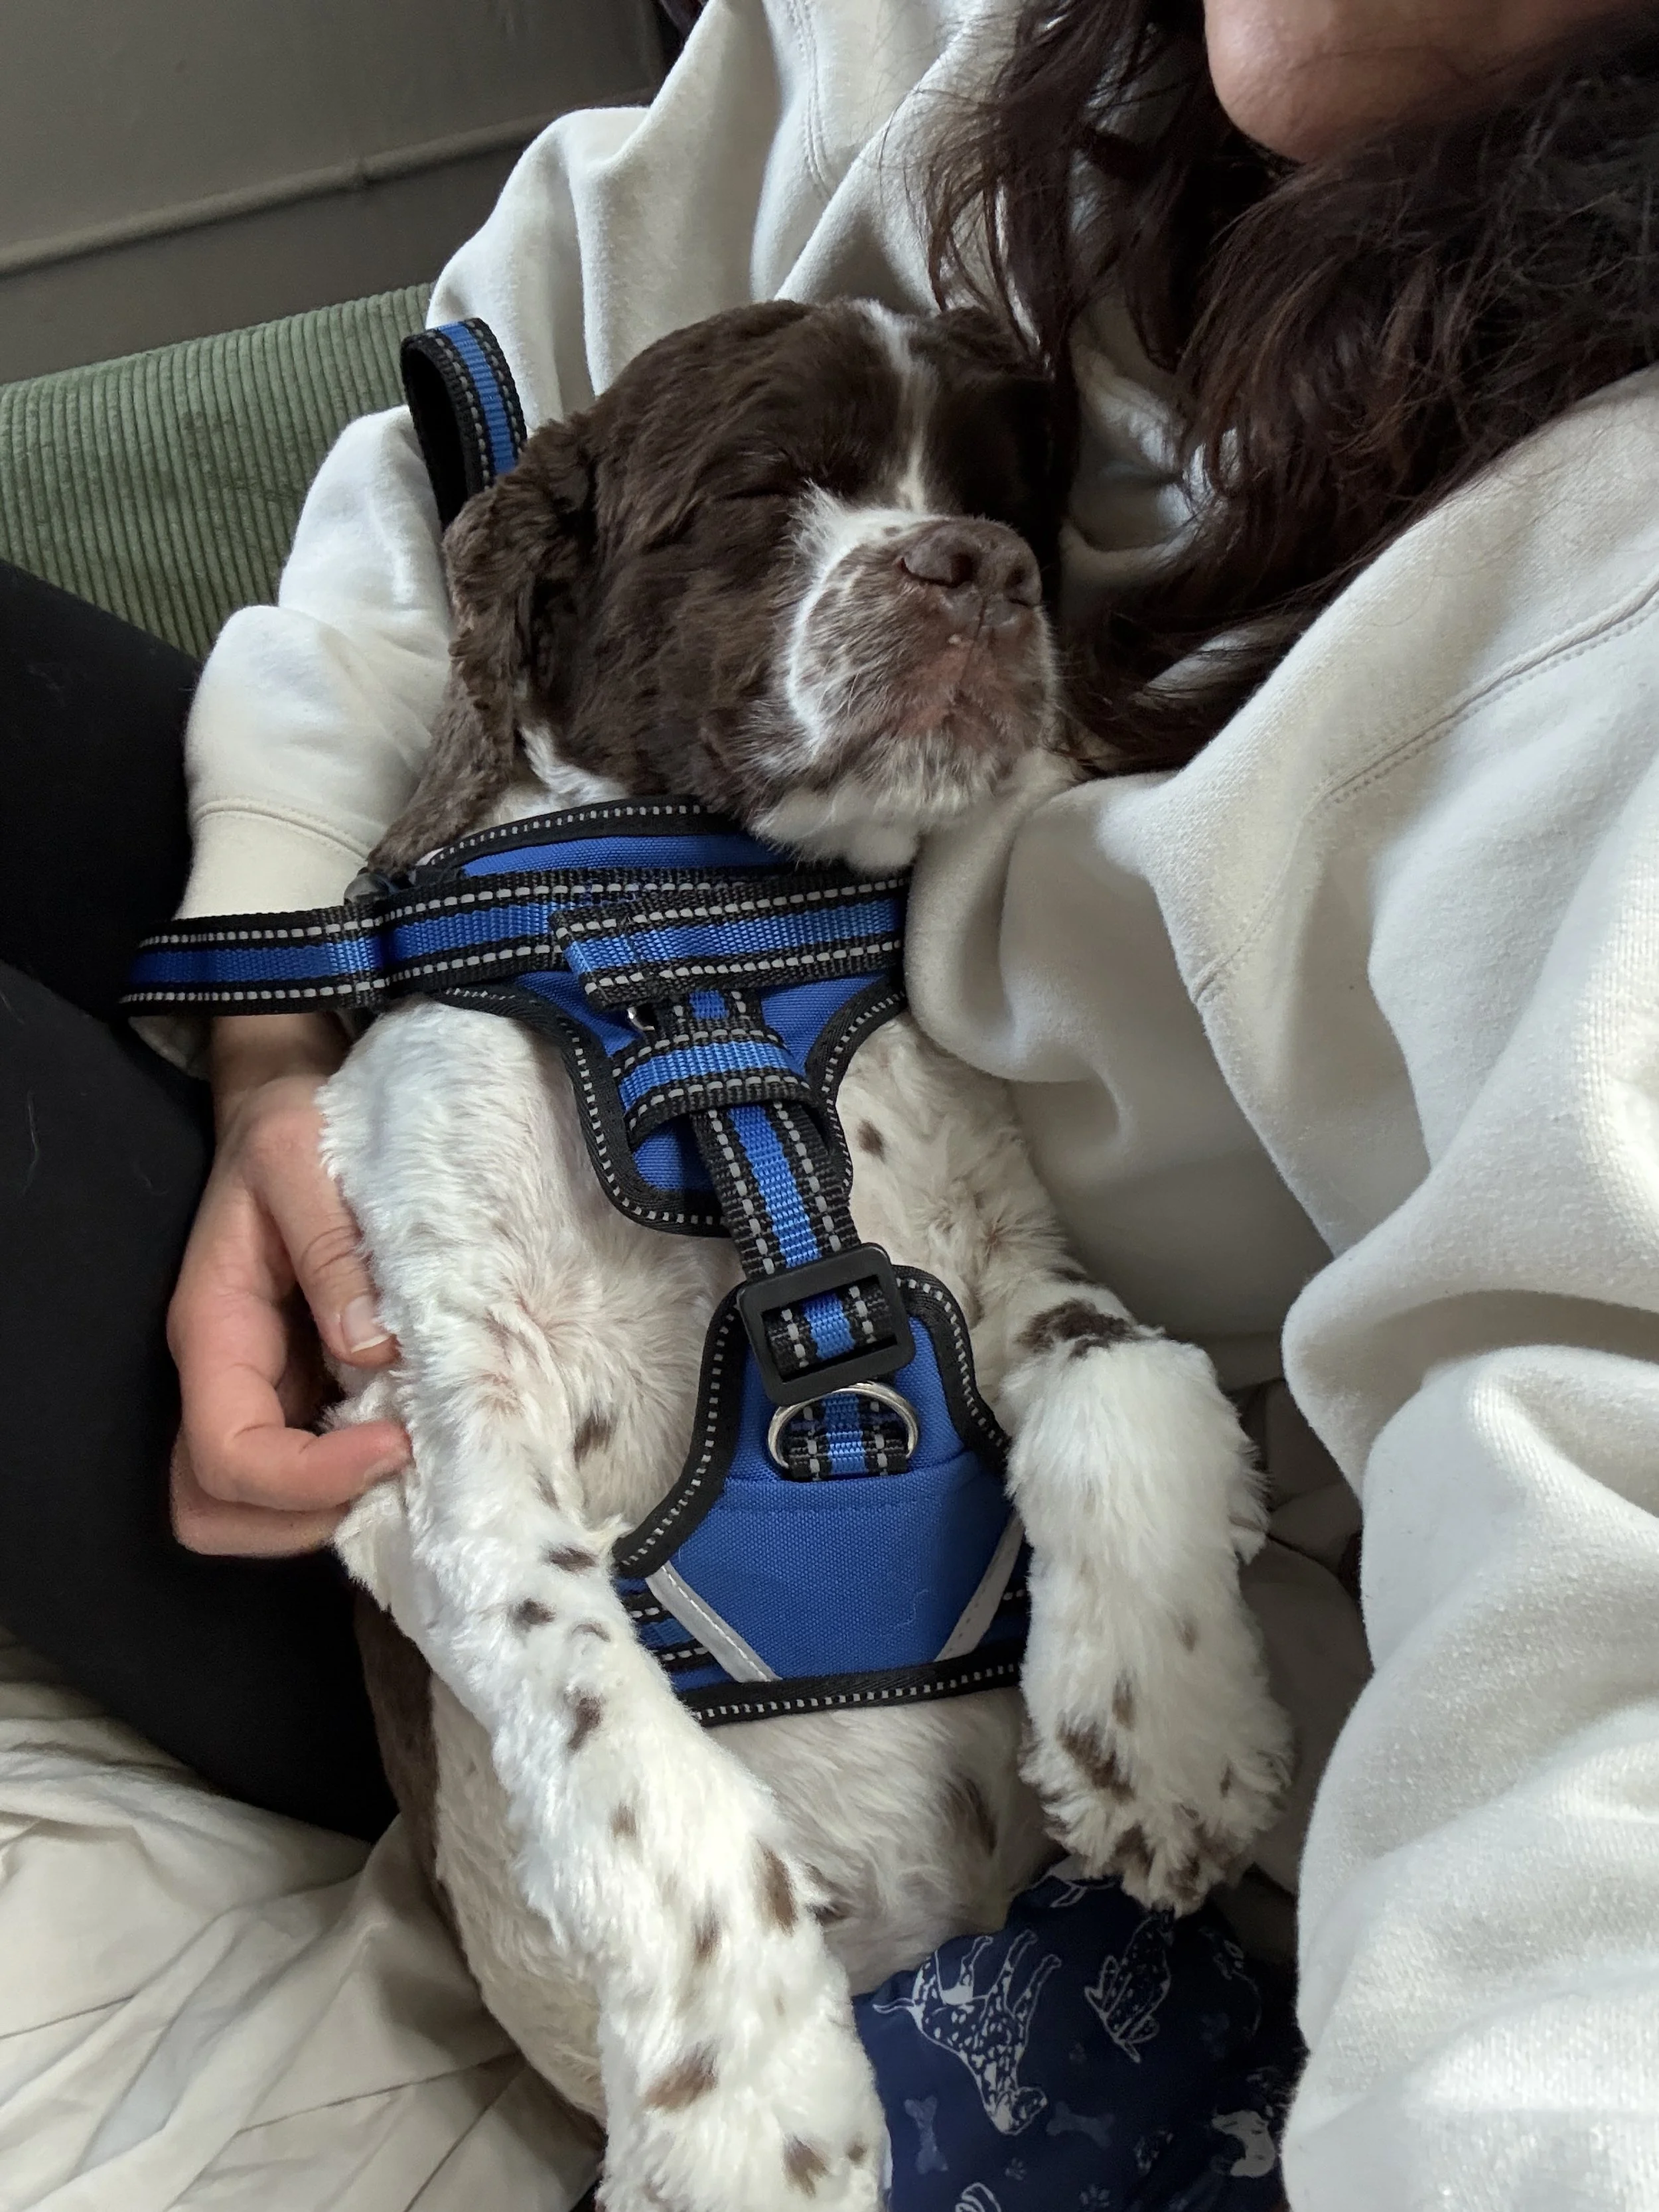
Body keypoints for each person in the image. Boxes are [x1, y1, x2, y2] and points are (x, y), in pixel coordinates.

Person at [4, 0, 1658, 2200]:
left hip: (819, 1526)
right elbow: (468, 468)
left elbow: (1599, 1570)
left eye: (992, 520)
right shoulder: (923, 36)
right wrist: (273, 1047)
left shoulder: (1603, 577)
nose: (954, 560)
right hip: (453, 1011)